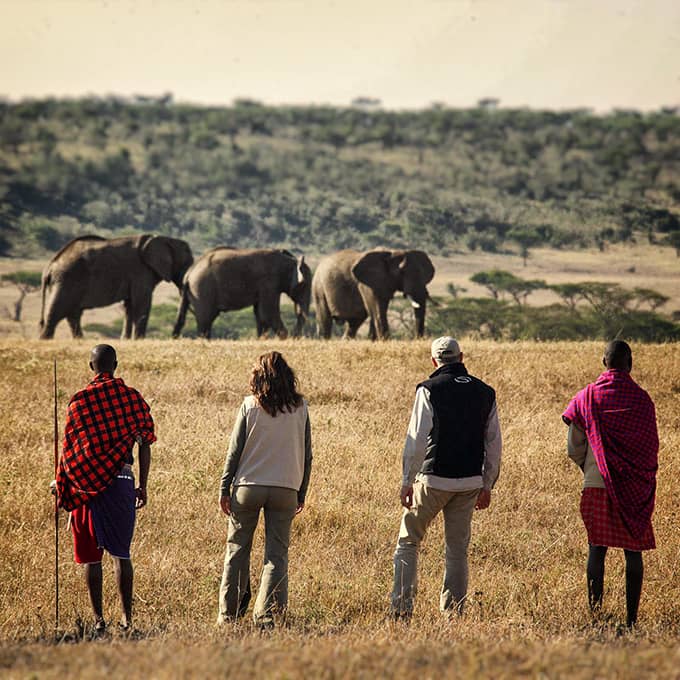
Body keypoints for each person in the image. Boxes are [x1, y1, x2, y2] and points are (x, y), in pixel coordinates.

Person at [390, 337, 502, 619]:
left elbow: (415, 439)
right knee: (456, 551)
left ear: (433, 362)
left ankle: (401, 610)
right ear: (461, 357)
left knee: (408, 541)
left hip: (432, 480)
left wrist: (407, 480)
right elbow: (494, 444)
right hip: (469, 483)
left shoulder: (428, 389)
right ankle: (453, 615)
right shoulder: (485, 392)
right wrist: (487, 484)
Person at [55, 344, 155, 635]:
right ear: (116, 365)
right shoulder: (131, 398)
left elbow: (69, 451)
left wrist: (67, 489)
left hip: (86, 486)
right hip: (123, 481)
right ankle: (127, 621)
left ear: (91, 367)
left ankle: (99, 621)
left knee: (91, 556)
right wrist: (142, 485)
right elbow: (145, 442)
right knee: (121, 554)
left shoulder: (79, 402)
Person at [562, 340, 658, 628]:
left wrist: (592, 467)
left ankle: (595, 616)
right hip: (634, 488)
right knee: (633, 552)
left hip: (596, 483)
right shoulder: (643, 400)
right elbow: (650, 447)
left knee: (596, 549)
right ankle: (631, 621)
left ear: (604, 362)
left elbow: (573, 447)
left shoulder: (588, 396)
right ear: (630, 364)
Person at [217, 351, 312, 629]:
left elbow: (234, 452)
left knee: (237, 549)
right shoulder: (301, 406)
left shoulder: (249, 405)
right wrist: (301, 491)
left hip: (247, 486)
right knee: (276, 554)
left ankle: (228, 616)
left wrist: (225, 487)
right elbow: (307, 455)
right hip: (286, 488)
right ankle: (268, 616)